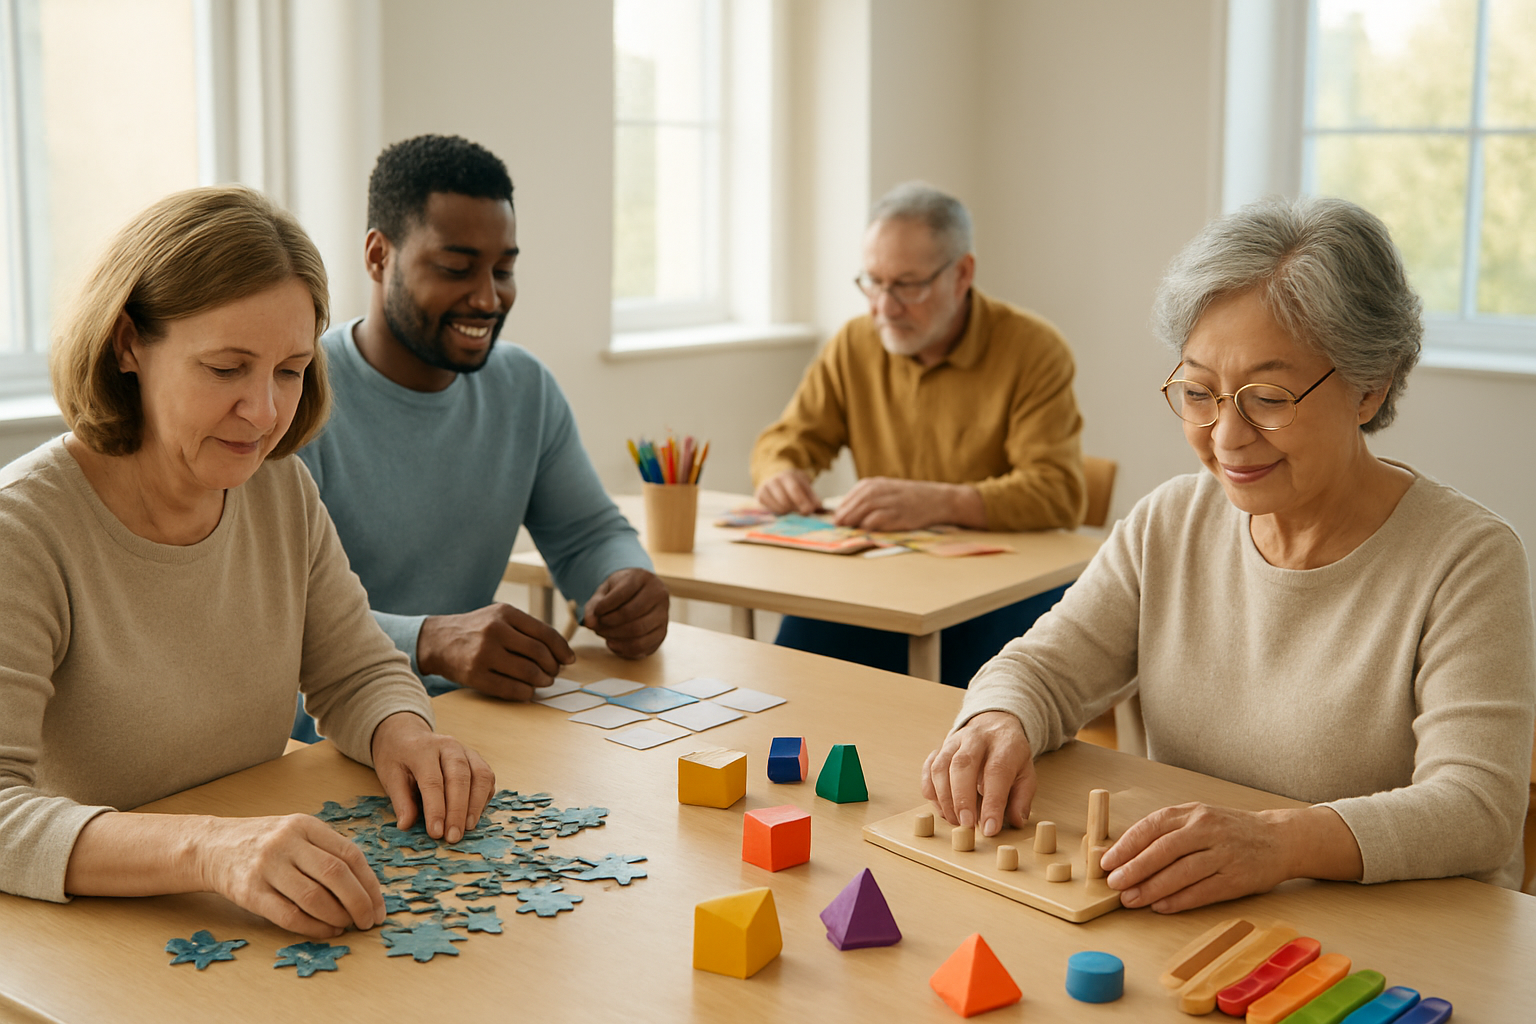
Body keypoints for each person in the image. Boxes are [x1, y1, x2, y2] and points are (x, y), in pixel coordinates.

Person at [922, 195, 1536, 909]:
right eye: (1198, 391)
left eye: (1267, 397)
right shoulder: (1171, 522)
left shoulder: (1468, 559)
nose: (1225, 437)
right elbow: (1045, 667)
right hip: (1198, 916)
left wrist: (1277, 843)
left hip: (1408, 942)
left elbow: (1478, 812)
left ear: (1372, 385)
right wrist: (999, 719)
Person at [0, 186, 495, 938]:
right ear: (128, 343)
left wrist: (408, 735)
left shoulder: (278, 487)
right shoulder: (22, 528)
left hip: (243, 921)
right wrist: (208, 849)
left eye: (291, 370)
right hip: (84, 940)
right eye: (227, 368)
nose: (264, 412)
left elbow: (354, 669)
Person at [295, 134, 667, 727]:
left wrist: (625, 579)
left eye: (504, 269)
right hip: (324, 739)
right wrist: (431, 640)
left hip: (473, 722)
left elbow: (585, 534)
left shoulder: (523, 387)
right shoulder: (295, 393)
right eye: (456, 268)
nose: (489, 298)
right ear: (377, 255)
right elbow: (276, 615)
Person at [749, 182, 1087, 685]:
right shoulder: (855, 344)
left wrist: (940, 501)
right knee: (795, 672)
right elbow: (787, 439)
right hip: (889, 579)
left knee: (939, 704)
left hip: (1001, 587)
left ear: (962, 274)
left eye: (907, 285)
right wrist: (780, 473)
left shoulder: (1033, 349)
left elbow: (1059, 492)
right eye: (873, 282)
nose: (884, 307)